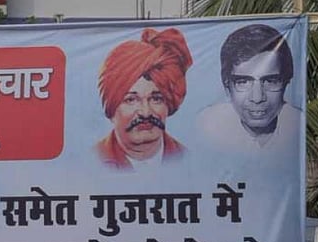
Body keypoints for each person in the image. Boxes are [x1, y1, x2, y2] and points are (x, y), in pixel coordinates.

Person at [95, 27, 193, 170]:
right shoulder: (92, 161)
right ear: (111, 110)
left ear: (168, 104)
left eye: (156, 99)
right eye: (131, 100)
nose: (145, 113)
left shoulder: (189, 160)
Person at [197, 24, 301, 156]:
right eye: (243, 82)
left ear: (286, 82)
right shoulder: (207, 128)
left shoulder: (300, 126)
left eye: (270, 81)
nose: (257, 98)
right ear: (227, 87)